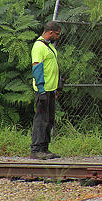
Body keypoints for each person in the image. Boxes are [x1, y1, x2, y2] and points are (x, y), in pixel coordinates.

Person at [30, 21, 62, 159]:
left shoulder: (49, 47)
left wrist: (56, 89)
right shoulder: (38, 46)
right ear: (50, 32)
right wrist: (41, 89)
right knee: (41, 119)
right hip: (43, 89)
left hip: (51, 89)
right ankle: (36, 149)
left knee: (49, 120)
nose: (58, 37)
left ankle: (44, 148)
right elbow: (37, 68)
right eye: (57, 34)